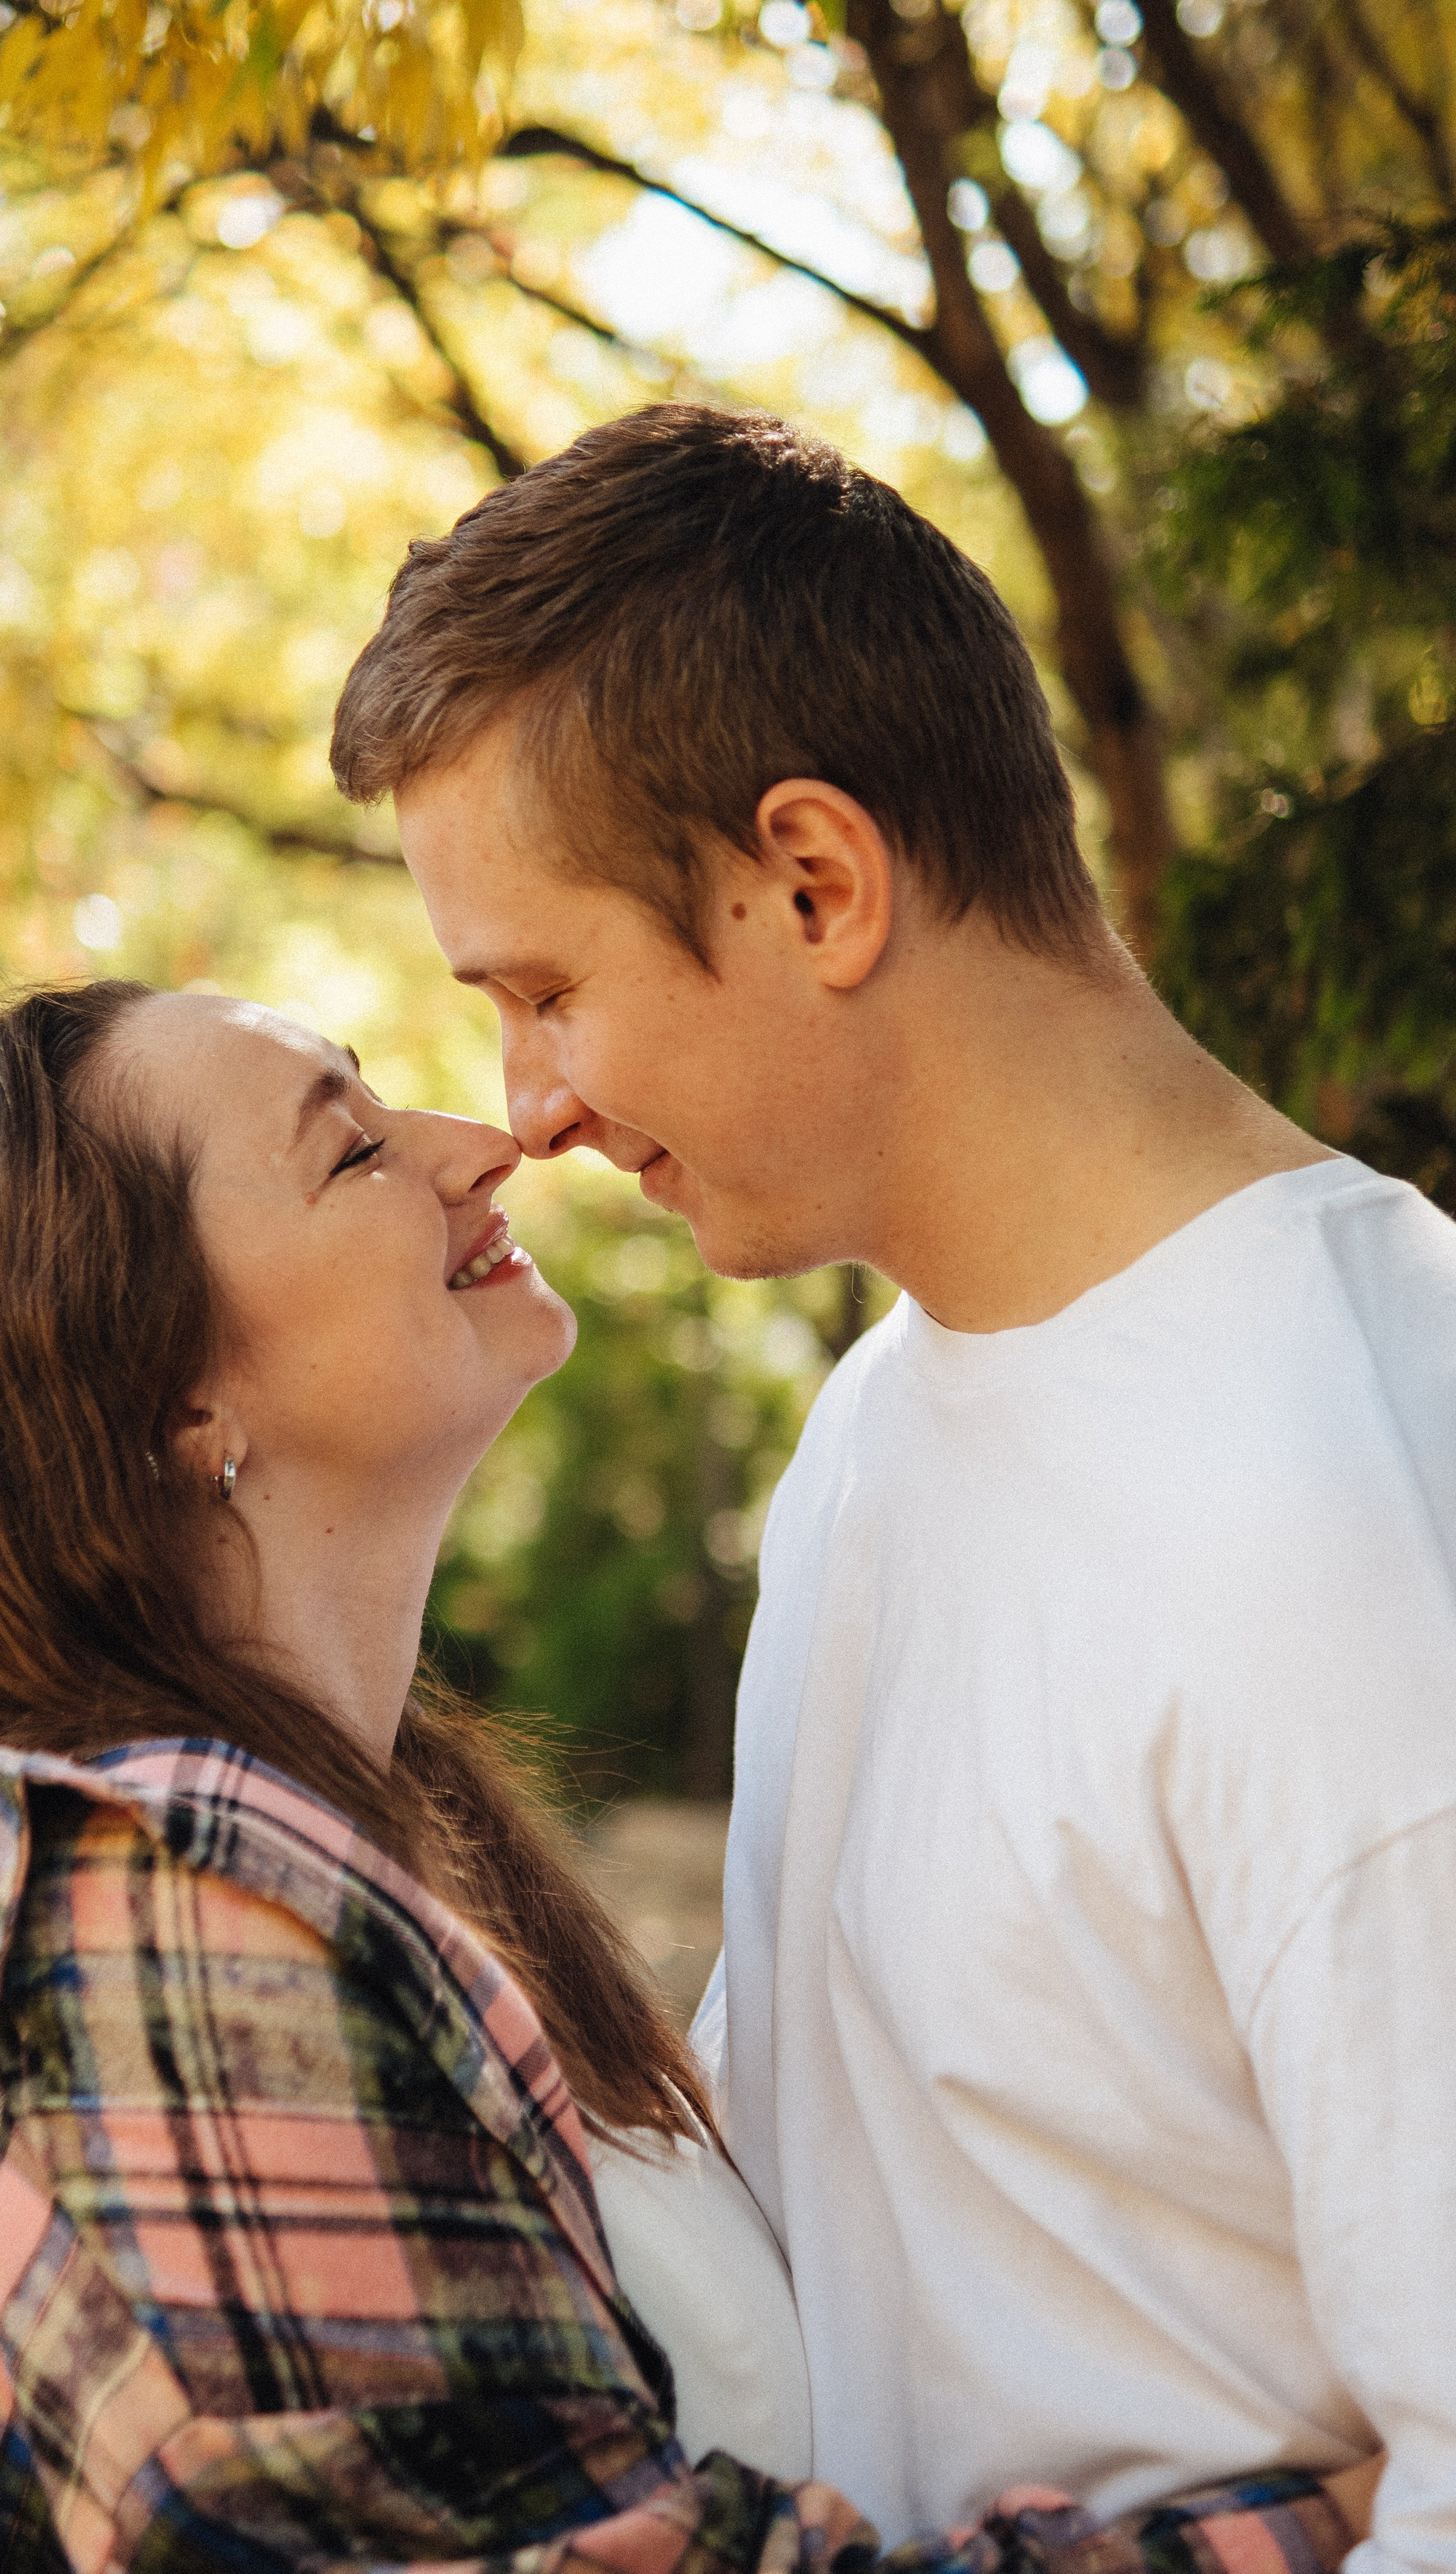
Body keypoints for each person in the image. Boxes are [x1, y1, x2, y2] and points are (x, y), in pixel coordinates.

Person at [0, 983, 1362, 2574]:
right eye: (347, 1149)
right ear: (168, 1392)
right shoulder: (158, 1925)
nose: (476, 1142)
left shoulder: (362, 1844)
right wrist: (1344, 2523)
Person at [331, 402, 1454, 2574]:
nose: (526, 1108)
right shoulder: (885, 1417)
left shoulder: (1347, 1514)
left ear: (815, 884)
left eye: (545, 991)